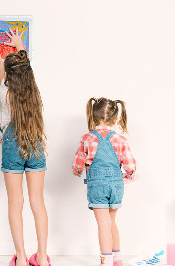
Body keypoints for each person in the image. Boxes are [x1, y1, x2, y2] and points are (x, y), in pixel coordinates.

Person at [0, 28, 50, 266]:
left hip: (12, 148)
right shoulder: (35, 94)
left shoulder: (5, 94)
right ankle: (42, 257)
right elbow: (26, 69)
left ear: (10, 76)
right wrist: (20, 46)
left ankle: (22, 258)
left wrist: (0, 71)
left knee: (16, 203)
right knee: (38, 202)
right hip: (35, 145)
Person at [72, 98, 137, 266]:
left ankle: (106, 261)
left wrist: (77, 171)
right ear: (115, 120)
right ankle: (117, 260)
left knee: (103, 224)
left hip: (97, 186)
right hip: (116, 185)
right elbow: (130, 165)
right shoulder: (120, 139)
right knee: (111, 222)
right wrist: (129, 175)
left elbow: (77, 164)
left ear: (93, 117)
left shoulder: (87, 138)